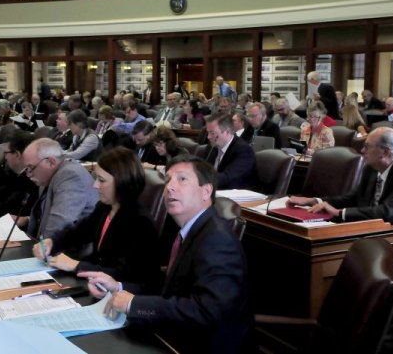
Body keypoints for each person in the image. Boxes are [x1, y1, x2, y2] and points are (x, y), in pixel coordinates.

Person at [79, 154, 252, 354]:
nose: (169, 187)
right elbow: (171, 288)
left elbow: (207, 311)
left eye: (182, 179)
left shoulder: (217, 240)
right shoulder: (192, 230)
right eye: (168, 179)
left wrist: (134, 304)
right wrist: (118, 286)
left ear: (206, 191)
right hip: (176, 334)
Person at [288, 127, 393, 292]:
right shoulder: (371, 169)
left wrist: (338, 213)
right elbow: (351, 198)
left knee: (340, 256)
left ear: (385, 152)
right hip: (376, 233)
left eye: (367, 146)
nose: (362, 150)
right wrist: (314, 201)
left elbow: (386, 213)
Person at [34, 147, 160, 287]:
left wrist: (77, 265)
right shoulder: (104, 207)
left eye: (101, 180)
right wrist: (52, 242)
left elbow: (126, 274)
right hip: (96, 285)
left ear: (122, 182)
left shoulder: (140, 223)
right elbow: (77, 233)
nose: (95, 185)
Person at [22, 138, 99, 247]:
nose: (28, 174)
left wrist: (41, 250)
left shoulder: (70, 175)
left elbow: (59, 225)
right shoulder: (49, 176)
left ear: (51, 162)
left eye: (31, 167)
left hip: (71, 254)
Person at [200, 114, 256, 190]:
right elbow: (203, 169)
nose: (208, 137)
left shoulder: (243, 150)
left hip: (236, 195)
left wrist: (200, 179)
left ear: (227, 132)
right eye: (208, 132)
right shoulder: (212, 147)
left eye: (212, 133)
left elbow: (228, 178)